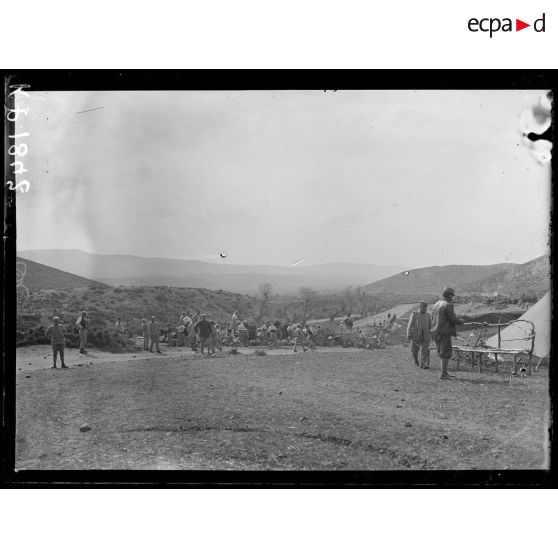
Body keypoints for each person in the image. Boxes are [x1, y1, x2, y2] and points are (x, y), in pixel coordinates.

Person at [431, 288, 465, 380]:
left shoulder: (436, 304)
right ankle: (443, 374)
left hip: (435, 331)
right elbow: (453, 318)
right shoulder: (447, 305)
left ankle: (444, 372)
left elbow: (432, 318)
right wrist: (462, 321)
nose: (452, 297)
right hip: (444, 331)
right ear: (448, 295)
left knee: (441, 352)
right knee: (446, 352)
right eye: (451, 295)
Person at [406, 301, 432, 369]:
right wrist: (409, 334)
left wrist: (431, 334)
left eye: (426, 308)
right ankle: (415, 359)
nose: (425, 309)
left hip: (426, 335)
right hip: (416, 335)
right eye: (424, 307)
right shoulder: (415, 314)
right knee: (414, 351)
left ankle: (423, 364)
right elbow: (410, 325)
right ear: (420, 307)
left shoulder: (428, 315)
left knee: (425, 350)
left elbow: (430, 326)